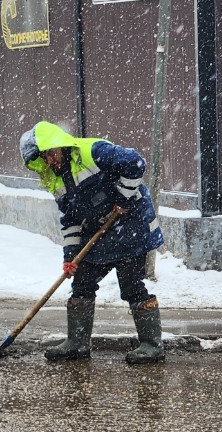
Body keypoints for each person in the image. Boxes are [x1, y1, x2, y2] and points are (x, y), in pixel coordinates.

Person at [19, 121, 165, 364]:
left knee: (131, 285)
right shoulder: (56, 180)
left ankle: (152, 345)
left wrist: (123, 198)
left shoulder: (92, 152)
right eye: (44, 159)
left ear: (60, 146)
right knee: (82, 283)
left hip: (130, 226)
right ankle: (77, 344)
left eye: (51, 153)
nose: (51, 161)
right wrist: (70, 257)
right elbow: (71, 220)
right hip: (99, 231)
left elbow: (135, 163)